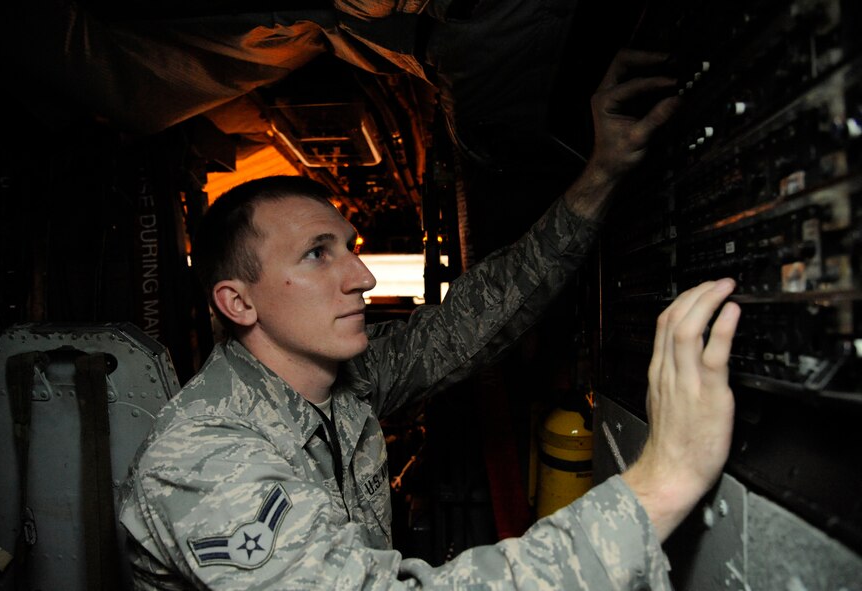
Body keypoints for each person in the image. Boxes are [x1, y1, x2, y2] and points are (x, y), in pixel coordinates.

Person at [118, 49, 742, 590]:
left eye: (351, 247)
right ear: (239, 303)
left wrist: (602, 173)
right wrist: (665, 480)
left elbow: (472, 322)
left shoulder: (337, 384)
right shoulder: (202, 461)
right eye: (317, 254)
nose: (361, 277)